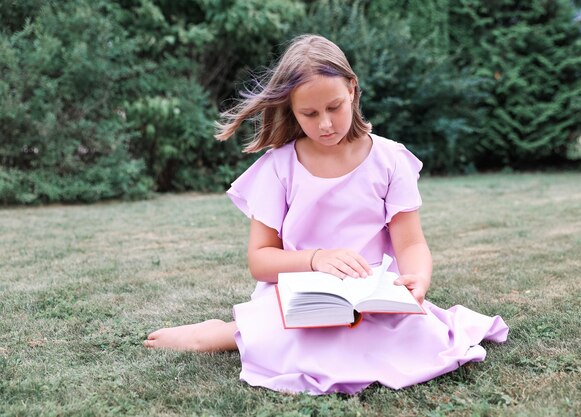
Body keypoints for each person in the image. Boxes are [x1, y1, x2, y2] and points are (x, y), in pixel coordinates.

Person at [143, 34, 509, 395]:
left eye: (334, 107)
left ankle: (246, 331)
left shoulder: (390, 159)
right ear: (291, 107)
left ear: (351, 88)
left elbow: (411, 241)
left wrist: (418, 278)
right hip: (301, 295)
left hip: (372, 297)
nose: (325, 124)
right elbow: (260, 260)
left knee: (424, 339)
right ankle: (218, 333)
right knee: (299, 339)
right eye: (310, 113)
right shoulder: (279, 167)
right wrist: (318, 259)